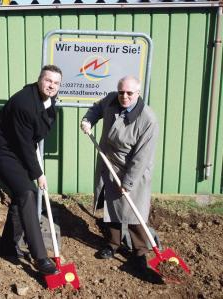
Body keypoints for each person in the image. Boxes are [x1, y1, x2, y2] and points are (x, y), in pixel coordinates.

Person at [0, 65, 62, 275]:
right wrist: (39, 174)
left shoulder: (46, 99)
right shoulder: (24, 104)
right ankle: (40, 257)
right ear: (39, 80)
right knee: (28, 193)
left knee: (21, 195)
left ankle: (8, 246)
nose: (52, 86)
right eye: (48, 81)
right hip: (3, 150)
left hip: (19, 147)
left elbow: (31, 138)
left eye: (56, 83)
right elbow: (25, 145)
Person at [80, 75, 159, 270]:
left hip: (134, 169)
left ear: (138, 94)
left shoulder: (147, 120)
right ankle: (113, 244)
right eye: (121, 92)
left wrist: (128, 182)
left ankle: (140, 251)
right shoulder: (111, 100)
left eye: (129, 93)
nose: (124, 96)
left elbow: (142, 157)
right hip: (109, 163)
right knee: (112, 204)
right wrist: (88, 121)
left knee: (134, 209)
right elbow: (96, 109)